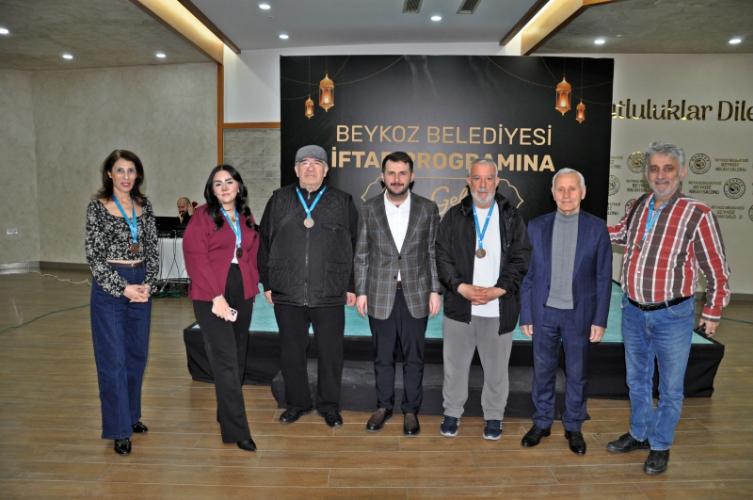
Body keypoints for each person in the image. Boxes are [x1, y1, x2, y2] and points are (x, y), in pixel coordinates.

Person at [606, 142, 730, 475]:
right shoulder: (639, 205)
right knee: (637, 381)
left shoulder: (697, 213)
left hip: (673, 316)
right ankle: (639, 434)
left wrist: (712, 313)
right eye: (654, 168)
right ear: (646, 173)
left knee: (671, 389)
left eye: (668, 168)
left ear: (682, 172)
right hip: (633, 311)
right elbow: (619, 233)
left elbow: (717, 270)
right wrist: (583, 228)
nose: (660, 175)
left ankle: (660, 445)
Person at [258, 145, 359, 428]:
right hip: (287, 290)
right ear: (296, 169)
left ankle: (329, 406)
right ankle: (297, 403)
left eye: (317, 163)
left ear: (326, 170)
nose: (310, 167)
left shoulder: (343, 201)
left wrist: (352, 285)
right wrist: (268, 282)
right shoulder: (279, 199)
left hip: (329, 291)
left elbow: (356, 244)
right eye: (304, 162)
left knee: (330, 353)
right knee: (291, 352)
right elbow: (263, 242)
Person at [519, 168, 612, 455]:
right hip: (544, 312)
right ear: (553, 193)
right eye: (561, 189)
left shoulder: (597, 228)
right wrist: (527, 313)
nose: (566, 194)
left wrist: (599, 319)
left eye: (572, 189)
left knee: (577, 373)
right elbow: (527, 275)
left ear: (583, 193)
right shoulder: (536, 226)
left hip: (579, 314)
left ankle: (573, 426)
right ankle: (542, 422)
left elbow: (603, 277)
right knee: (543, 371)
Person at [435, 158, 531, 440]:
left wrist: (499, 289)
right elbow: (441, 256)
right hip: (460, 307)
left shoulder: (512, 217)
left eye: (489, 178)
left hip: (498, 308)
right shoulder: (454, 216)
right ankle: (452, 412)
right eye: (477, 178)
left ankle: (494, 417)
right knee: (454, 369)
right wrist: (460, 287)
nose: (483, 185)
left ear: (497, 182)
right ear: (468, 181)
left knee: (497, 371)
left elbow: (521, 258)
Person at [354, 151, 441, 436]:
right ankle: (383, 406)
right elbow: (362, 254)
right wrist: (361, 291)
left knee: (414, 357)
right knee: (382, 356)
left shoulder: (428, 209)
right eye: (391, 173)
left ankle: (411, 410)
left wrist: (435, 290)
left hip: (416, 293)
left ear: (412, 177)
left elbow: (432, 252)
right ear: (382, 177)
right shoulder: (368, 208)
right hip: (379, 293)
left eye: (402, 173)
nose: (396, 178)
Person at [85, 149, 159, 455]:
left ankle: (131, 416)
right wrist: (123, 288)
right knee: (113, 359)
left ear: (138, 174)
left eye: (131, 170)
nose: (126, 176)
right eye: (120, 170)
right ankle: (118, 429)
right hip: (111, 288)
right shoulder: (97, 208)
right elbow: (94, 257)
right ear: (109, 174)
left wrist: (148, 284)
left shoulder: (145, 206)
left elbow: (152, 249)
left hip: (140, 282)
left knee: (136, 356)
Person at [183, 165, 260, 452]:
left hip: (242, 290)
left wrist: (255, 286)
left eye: (229, 181)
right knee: (225, 358)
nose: (225, 187)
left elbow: (252, 253)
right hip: (211, 293)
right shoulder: (202, 216)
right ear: (211, 190)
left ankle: (226, 411)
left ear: (238, 186)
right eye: (218, 183)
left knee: (238, 356)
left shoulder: (246, 215)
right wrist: (215, 296)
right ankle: (237, 430)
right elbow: (195, 257)